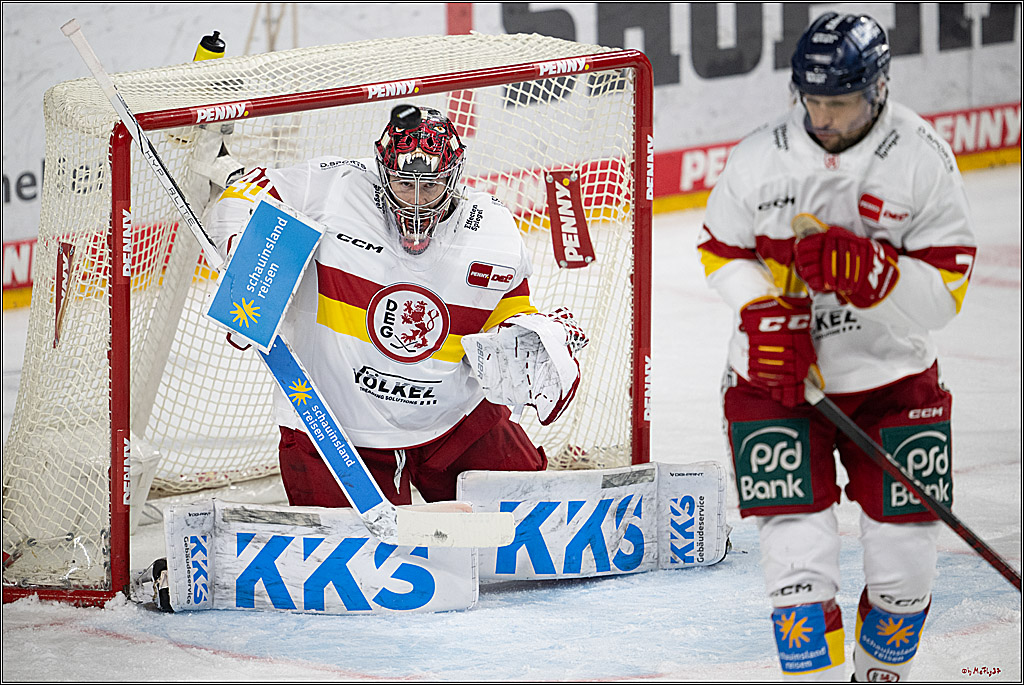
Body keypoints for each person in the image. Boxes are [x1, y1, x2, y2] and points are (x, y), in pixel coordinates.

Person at [697, 13, 976, 682]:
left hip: (894, 380)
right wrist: (761, 312)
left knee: (906, 565)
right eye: (811, 100)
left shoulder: (922, 155)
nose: (822, 117)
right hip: (774, 383)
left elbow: (948, 289)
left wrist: (881, 277)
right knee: (796, 564)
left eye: (839, 102)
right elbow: (720, 248)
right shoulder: (757, 156)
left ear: (877, 89)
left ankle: (880, 675)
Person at [205, 104, 587, 508]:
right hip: (335, 429)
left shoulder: (492, 229)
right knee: (358, 563)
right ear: (383, 172)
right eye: (405, 184)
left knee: (538, 518)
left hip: (453, 420)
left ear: (454, 177)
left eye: (432, 186)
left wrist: (526, 337)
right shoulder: (334, 187)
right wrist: (246, 269)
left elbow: (506, 312)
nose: (418, 202)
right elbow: (243, 194)